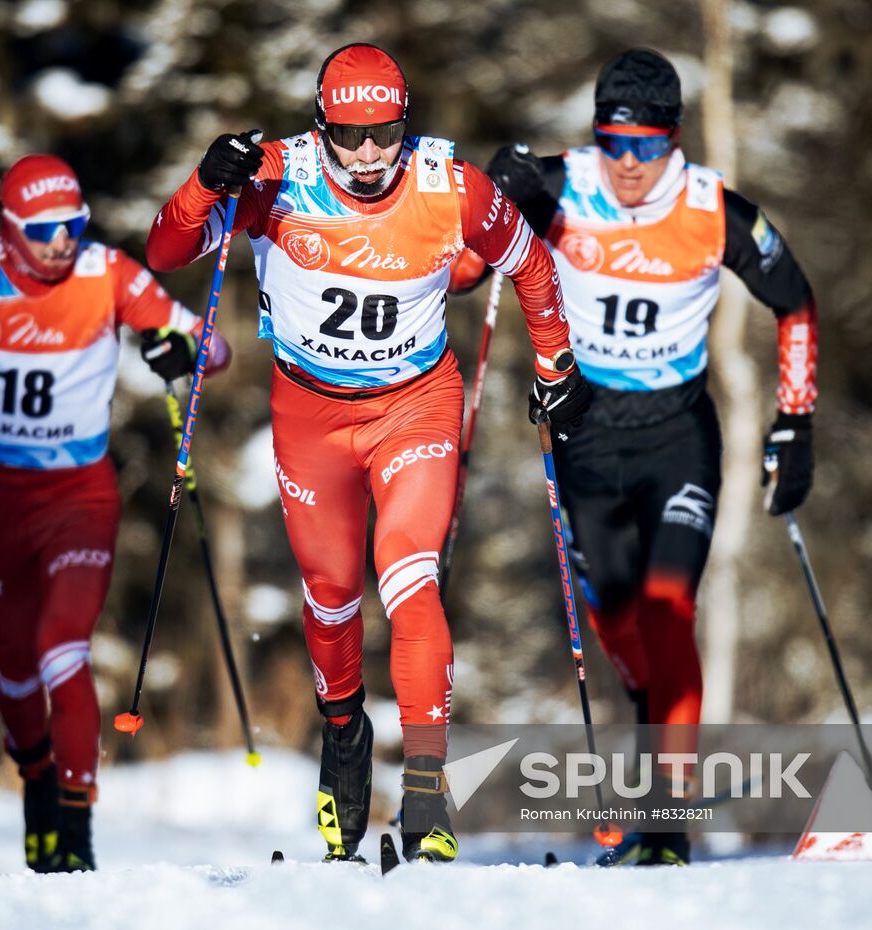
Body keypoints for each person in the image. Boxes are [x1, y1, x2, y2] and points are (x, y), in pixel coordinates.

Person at [147, 43, 590, 864]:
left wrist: (558, 363)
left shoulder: (451, 187)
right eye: (347, 136)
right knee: (331, 596)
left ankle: (425, 789)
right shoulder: (275, 175)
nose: (366, 156)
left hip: (414, 406)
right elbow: (166, 251)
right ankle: (343, 732)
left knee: (410, 580)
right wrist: (207, 182)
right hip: (310, 416)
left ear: (404, 125)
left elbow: (527, 262)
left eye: (384, 134)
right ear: (321, 128)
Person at [470, 47, 818, 866]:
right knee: (619, 623)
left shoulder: (711, 210)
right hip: (582, 435)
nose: (629, 165)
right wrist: (490, 206)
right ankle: (650, 714)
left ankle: (666, 823)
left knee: (669, 610)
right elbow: (462, 271)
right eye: (615, 143)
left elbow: (794, 303)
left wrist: (795, 420)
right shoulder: (559, 186)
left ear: (675, 138)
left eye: (648, 145)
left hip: (676, 437)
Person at [0, 153, 231, 872]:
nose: (62, 240)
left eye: (73, 224)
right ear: (11, 228)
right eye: (45, 228)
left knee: (64, 647)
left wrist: (173, 347)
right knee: (15, 669)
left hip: (79, 497)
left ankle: (77, 831)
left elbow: (215, 345)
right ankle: (37, 784)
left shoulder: (105, 273)